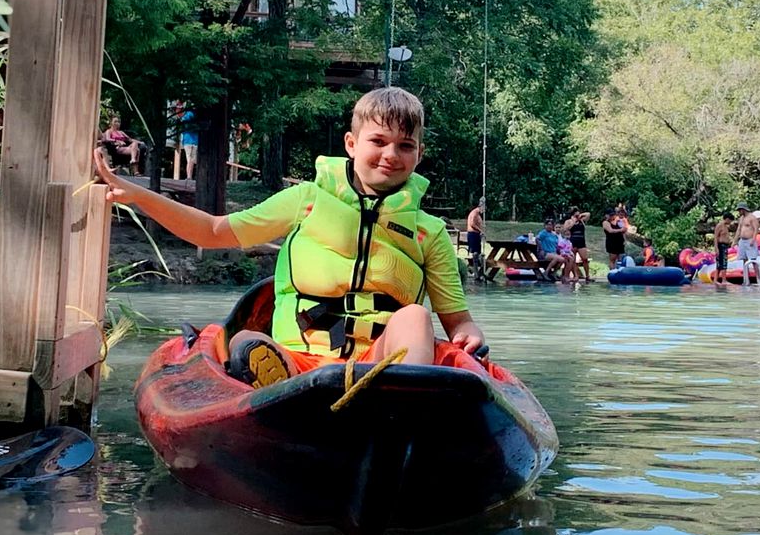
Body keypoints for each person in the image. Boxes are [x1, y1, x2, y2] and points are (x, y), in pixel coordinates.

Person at [94, 87, 483, 387]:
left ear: (419, 154)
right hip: (297, 359)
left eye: (405, 146)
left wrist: (469, 337)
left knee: (416, 316)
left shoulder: (430, 233)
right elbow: (213, 231)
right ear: (351, 144)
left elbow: (459, 323)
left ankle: (403, 405)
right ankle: (273, 380)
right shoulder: (305, 200)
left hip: (379, 365)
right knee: (244, 340)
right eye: (378, 141)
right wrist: (139, 195)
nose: (391, 155)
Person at [734, 203, 760, 286]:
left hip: (750, 240)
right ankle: (746, 280)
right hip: (742, 241)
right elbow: (739, 229)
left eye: (740, 210)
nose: (739, 212)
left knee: (753, 260)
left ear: (743, 209)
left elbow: (756, 229)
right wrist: (735, 241)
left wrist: (753, 239)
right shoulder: (741, 218)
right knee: (744, 260)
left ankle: (759, 280)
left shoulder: (752, 217)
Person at [563, 208, 593, 281]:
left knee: (585, 258)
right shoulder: (568, 221)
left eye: (578, 212)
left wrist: (580, 216)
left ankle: (587, 275)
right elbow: (565, 229)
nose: (578, 213)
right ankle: (576, 275)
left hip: (581, 241)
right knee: (573, 260)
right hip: (572, 241)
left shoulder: (581, 220)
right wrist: (573, 222)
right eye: (576, 212)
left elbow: (588, 214)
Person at [466, 198, 486, 280]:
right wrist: (480, 230)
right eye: (484, 209)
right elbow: (472, 224)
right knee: (475, 254)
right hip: (473, 234)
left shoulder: (478, 214)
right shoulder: (474, 213)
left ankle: (478, 272)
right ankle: (475, 273)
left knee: (478, 253)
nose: (484, 211)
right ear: (481, 207)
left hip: (476, 235)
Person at [712, 212, 733, 283]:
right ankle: (723, 280)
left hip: (725, 246)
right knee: (723, 263)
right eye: (730, 220)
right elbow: (715, 237)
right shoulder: (719, 225)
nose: (730, 222)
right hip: (720, 246)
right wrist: (716, 248)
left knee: (722, 263)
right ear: (727, 219)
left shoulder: (726, 226)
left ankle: (716, 280)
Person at [179, 108, 198, 180]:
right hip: (193, 141)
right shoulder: (193, 116)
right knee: (191, 160)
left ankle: (189, 176)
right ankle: (189, 176)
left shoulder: (185, 116)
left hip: (188, 141)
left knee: (190, 160)